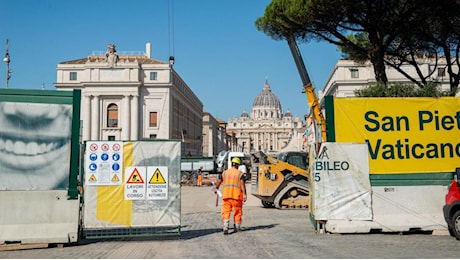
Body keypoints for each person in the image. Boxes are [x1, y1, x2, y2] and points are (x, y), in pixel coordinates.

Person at [215, 157, 247, 235]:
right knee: (238, 211)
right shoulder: (240, 173)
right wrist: (245, 194)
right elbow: (242, 184)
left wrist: (216, 189)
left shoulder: (225, 173)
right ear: (238, 165)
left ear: (232, 164)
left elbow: (219, 182)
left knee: (226, 211)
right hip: (236, 196)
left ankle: (225, 227)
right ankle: (237, 226)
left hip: (226, 196)